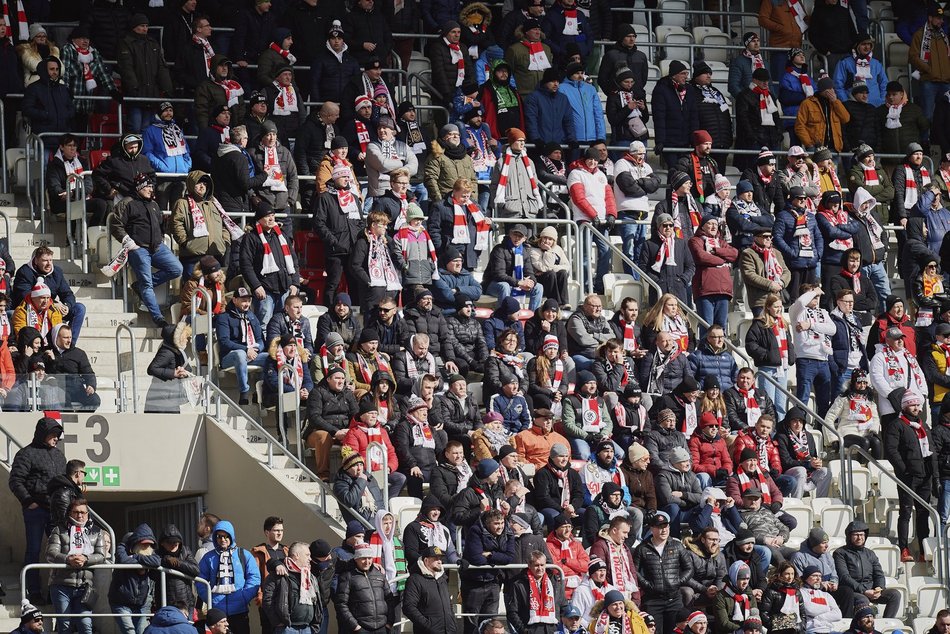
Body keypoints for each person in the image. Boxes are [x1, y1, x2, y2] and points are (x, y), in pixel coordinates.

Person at [110, 173, 183, 328]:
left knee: (177, 268)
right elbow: (115, 224)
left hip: (157, 247)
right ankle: (158, 318)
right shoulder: (127, 203)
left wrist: (163, 232)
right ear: (139, 188)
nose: (151, 189)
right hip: (138, 249)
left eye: (152, 186)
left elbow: (160, 225)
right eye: (148, 186)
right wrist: (127, 241)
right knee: (147, 285)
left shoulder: (154, 205)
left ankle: (140, 285)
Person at [9, 412, 65, 603]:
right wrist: (28, 502)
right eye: (53, 434)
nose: (56, 438)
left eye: (58, 435)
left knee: (60, 551)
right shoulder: (26, 453)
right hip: (35, 510)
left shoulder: (59, 456)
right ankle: (33, 592)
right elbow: (16, 481)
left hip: (56, 512)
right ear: (43, 434)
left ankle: (55, 592)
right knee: (33, 550)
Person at [884, 390, 936, 562]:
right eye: (912, 404)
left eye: (917, 404)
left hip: (925, 475)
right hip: (908, 476)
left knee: (923, 514)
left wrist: (934, 474)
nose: (916, 407)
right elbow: (891, 450)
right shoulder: (897, 424)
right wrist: (903, 469)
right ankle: (904, 548)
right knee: (905, 512)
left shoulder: (923, 425)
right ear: (905, 406)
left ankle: (923, 550)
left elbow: (932, 450)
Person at [46, 498, 107, 634]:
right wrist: (68, 559)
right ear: (70, 513)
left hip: (85, 586)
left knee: (85, 625)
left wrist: (85, 559)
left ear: (88, 514)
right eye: (76, 512)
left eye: (83, 512)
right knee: (65, 625)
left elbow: (101, 556)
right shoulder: (59, 530)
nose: (79, 515)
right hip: (61, 584)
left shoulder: (97, 532)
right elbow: (51, 553)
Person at [634, 512, 694, 634]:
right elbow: (634, 571)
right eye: (659, 527)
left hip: (674, 599)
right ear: (652, 528)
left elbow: (689, 568)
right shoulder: (642, 548)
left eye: (666, 526)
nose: (664, 530)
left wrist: (678, 582)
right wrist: (648, 585)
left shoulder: (677, 546)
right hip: (653, 601)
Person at [13, 245, 86, 343]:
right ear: (36, 260)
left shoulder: (57, 272)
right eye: (45, 260)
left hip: (53, 310)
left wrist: (67, 306)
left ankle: (69, 345)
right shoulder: (24, 272)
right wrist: (53, 303)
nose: (49, 264)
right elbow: (26, 295)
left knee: (79, 308)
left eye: (51, 260)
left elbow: (67, 293)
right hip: (31, 310)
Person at [461, 508, 516, 634]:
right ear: (487, 523)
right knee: (472, 624)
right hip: (473, 583)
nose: (500, 527)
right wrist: (499, 558)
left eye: (502, 523)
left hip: (494, 581)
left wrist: (491, 555)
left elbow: (510, 557)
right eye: (496, 524)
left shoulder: (508, 532)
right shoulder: (475, 531)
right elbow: (476, 559)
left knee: (491, 623)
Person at [833, 520, 901, 617]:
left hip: (871, 589)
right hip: (854, 591)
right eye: (856, 535)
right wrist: (864, 591)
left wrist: (879, 588)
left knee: (895, 594)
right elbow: (844, 577)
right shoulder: (840, 553)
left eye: (862, 535)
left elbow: (879, 574)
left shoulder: (870, 553)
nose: (859, 538)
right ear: (849, 536)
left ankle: (886, 622)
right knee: (863, 599)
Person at [688, 217, 738, 337]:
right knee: (707, 326)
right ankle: (705, 353)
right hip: (705, 290)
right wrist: (722, 261)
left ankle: (721, 354)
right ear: (702, 226)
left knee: (721, 326)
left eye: (715, 224)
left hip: (723, 291)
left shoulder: (721, 243)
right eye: (709, 224)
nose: (713, 227)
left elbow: (734, 254)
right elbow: (701, 256)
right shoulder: (696, 241)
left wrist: (715, 250)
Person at [334, 541, 396, 634]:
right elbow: (341, 604)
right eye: (363, 558)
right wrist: (355, 626)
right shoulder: (347, 576)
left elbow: (389, 599)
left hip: (382, 628)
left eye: (369, 558)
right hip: (361, 629)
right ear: (356, 559)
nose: (367, 562)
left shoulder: (379, 575)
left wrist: (389, 622)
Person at [652, 59, 699, 169]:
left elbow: (694, 116)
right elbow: (659, 117)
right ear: (674, 75)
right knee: (675, 170)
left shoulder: (689, 90)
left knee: (685, 171)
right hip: (669, 141)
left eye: (686, 73)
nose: (685, 76)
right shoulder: (661, 90)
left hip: (686, 141)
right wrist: (660, 141)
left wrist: (694, 139)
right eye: (682, 73)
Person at [504, 550, 565, 634]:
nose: (540, 568)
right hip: (530, 629)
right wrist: (523, 630)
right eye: (536, 565)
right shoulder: (519, 585)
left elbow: (563, 606)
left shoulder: (555, 583)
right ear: (529, 565)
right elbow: (512, 611)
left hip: (553, 629)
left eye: (542, 565)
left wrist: (560, 627)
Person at [909, 3, 950, 121]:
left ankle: (943, 139)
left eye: (942, 18)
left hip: (946, 82)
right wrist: (928, 69)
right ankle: (925, 139)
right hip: (929, 82)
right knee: (927, 115)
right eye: (938, 18)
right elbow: (913, 57)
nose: (941, 21)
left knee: (946, 115)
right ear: (930, 18)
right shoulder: (919, 35)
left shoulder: (944, 37)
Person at [22, 56, 74, 144]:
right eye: (52, 69)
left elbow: (71, 108)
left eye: (57, 69)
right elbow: (27, 109)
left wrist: (66, 114)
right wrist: (45, 114)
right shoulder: (34, 88)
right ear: (44, 70)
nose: (55, 72)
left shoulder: (63, 88)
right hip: (43, 139)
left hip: (63, 140)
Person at [794, 77, 851, 152]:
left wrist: (835, 102)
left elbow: (846, 118)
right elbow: (799, 126)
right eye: (829, 89)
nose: (832, 91)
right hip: (815, 148)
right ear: (823, 90)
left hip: (834, 148)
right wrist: (809, 144)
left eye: (833, 89)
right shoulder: (807, 103)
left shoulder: (836, 103)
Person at [729, 32, 766, 99]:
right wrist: (745, 100)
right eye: (753, 41)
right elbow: (733, 86)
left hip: (764, 100)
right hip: (747, 103)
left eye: (758, 41)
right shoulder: (738, 61)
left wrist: (773, 100)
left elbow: (770, 85)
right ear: (747, 44)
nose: (756, 43)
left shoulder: (764, 62)